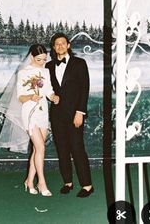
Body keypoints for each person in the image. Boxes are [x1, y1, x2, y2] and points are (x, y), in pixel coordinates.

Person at [0, 44, 59, 196]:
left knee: (38, 149)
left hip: (43, 111)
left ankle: (29, 181)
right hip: (29, 112)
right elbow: (20, 97)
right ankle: (41, 182)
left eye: (44, 59)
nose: (42, 62)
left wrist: (53, 97)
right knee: (41, 148)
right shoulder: (23, 73)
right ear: (31, 57)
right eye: (39, 59)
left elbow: (49, 90)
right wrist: (31, 96)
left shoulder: (46, 71)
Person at [46, 33, 94, 198]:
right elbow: (47, 89)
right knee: (62, 149)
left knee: (77, 148)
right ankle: (68, 182)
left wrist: (80, 112)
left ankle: (87, 185)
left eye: (62, 43)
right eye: (56, 44)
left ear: (68, 45)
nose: (59, 46)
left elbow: (84, 89)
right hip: (57, 116)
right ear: (53, 47)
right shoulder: (48, 66)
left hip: (75, 114)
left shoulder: (80, 63)